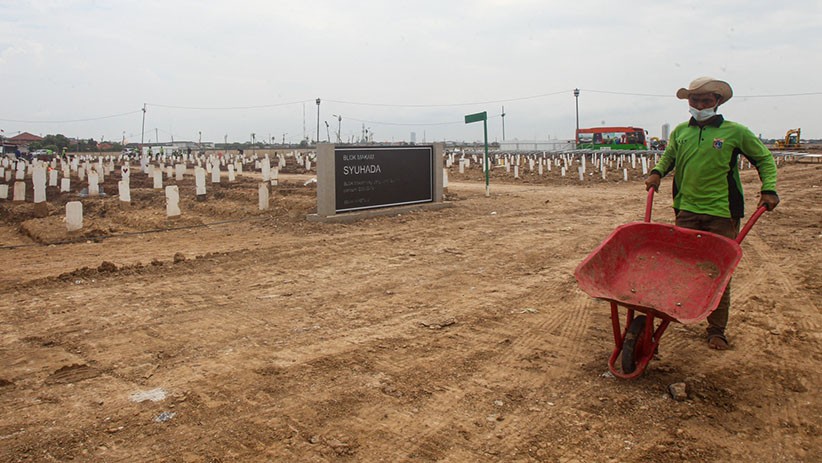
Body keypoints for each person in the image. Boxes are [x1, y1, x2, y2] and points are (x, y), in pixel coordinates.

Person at [645, 76, 780, 350]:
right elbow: (669, 156)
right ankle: (670, 318)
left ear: (717, 102)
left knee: (718, 272)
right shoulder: (681, 131)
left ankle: (716, 329)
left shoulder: (735, 132)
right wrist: (657, 173)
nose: (699, 105)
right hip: (686, 210)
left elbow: (764, 158)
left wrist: (769, 188)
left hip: (722, 213)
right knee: (680, 267)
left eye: (706, 100)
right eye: (695, 100)